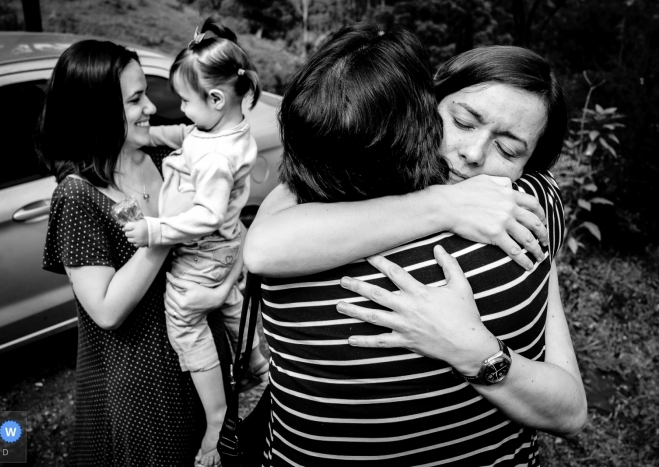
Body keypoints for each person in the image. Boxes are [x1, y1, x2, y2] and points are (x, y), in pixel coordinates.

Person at [244, 24, 586, 466]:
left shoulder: (530, 207)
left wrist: (477, 353)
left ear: (532, 165)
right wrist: (441, 203)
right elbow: (263, 249)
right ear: (425, 103)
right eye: (463, 121)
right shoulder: (331, 194)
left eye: (508, 148)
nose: (474, 153)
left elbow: (572, 408)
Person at [36, 39, 242, 466]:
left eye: (145, 92)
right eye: (135, 99)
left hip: (200, 358)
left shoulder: (167, 158)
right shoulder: (79, 196)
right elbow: (107, 311)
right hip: (141, 384)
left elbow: (224, 235)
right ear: (96, 112)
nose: (151, 106)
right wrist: (165, 231)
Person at [122, 17, 269, 467]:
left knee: (185, 321)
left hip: (201, 255)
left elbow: (204, 216)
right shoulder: (227, 131)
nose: (180, 110)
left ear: (217, 98)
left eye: (185, 100)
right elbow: (186, 135)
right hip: (229, 253)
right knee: (228, 310)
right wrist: (151, 136)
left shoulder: (215, 162)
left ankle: (216, 415)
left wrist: (154, 231)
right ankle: (264, 372)